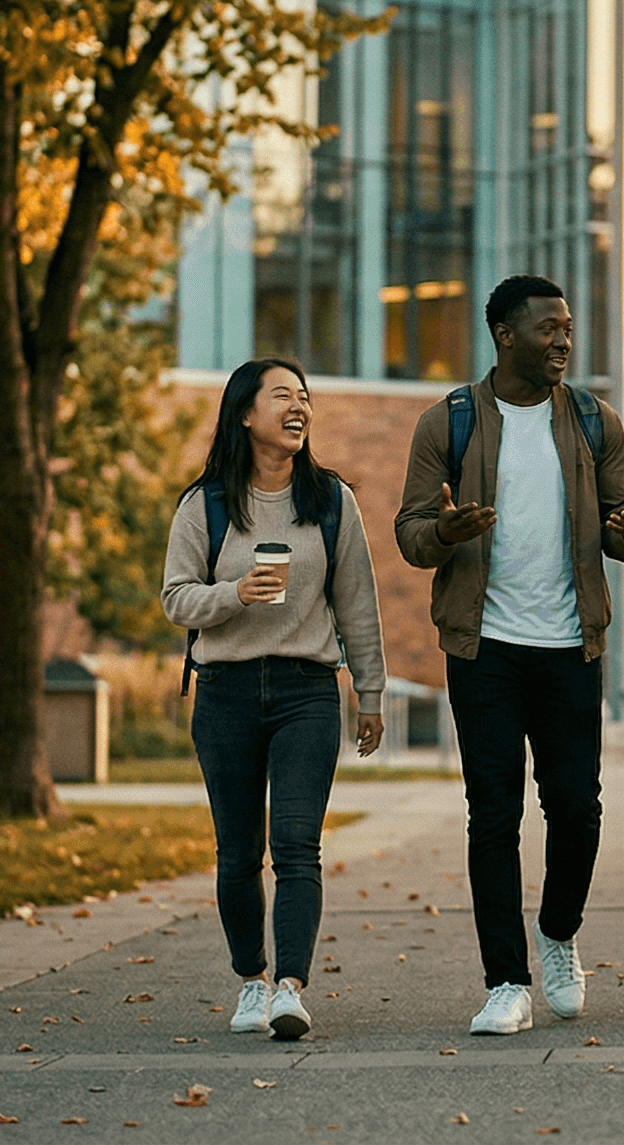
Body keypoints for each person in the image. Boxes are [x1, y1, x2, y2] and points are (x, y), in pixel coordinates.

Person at [396, 275, 624, 1038]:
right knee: (493, 816)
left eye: (568, 328)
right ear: (505, 334)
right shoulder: (448, 421)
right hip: (484, 648)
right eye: (548, 329)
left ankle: (557, 930)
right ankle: (506, 980)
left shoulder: (591, 418)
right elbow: (411, 531)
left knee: (577, 809)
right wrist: (446, 533)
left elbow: (621, 531)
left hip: (569, 644)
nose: (563, 341)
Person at [161, 357, 387, 1043]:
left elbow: (358, 605)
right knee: (237, 852)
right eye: (283, 396)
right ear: (245, 414)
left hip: (305, 693)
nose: (299, 408)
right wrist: (234, 595)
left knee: (297, 846)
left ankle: (292, 987)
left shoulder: (330, 501)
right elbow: (176, 597)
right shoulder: (204, 505)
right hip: (225, 692)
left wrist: (369, 693)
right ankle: (251, 980)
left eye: (305, 398)